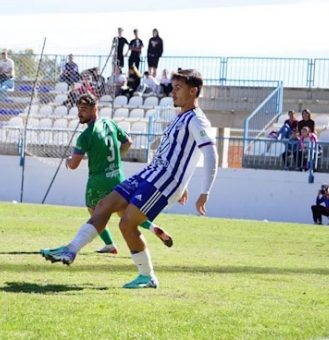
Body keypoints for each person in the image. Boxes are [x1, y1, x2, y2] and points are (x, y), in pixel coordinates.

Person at [41, 69, 219, 289]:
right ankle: (70, 249)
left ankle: (148, 276)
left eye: (178, 88)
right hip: (150, 174)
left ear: (193, 91)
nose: (173, 92)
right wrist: (185, 184)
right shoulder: (180, 117)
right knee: (104, 205)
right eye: (172, 87)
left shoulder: (197, 120)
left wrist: (203, 192)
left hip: (163, 182)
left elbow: (210, 153)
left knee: (127, 223)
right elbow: (183, 154)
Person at [63, 94, 174, 254]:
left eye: (84, 109)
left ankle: (109, 246)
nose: (80, 113)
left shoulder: (85, 136)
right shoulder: (109, 123)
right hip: (117, 176)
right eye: (79, 109)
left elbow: (73, 165)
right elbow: (128, 141)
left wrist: (68, 161)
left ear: (95, 109)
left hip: (98, 182)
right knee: (124, 211)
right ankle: (153, 227)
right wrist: (117, 157)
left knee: (95, 213)